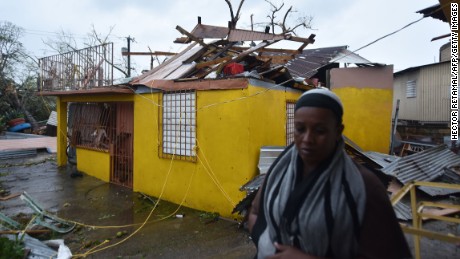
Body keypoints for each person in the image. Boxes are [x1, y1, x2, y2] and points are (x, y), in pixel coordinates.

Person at [248, 88, 411, 259]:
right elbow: (255, 212)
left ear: (338, 131)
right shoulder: (280, 170)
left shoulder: (362, 186)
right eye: (300, 129)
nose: (307, 139)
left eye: (320, 131)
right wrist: (266, 245)